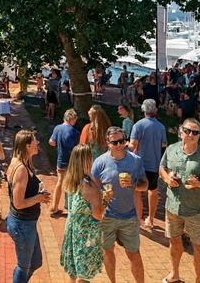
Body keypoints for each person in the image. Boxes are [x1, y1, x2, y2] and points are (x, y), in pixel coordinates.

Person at [158, 117, 200, 283]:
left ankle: (197, 280)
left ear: (199, 135)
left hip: (196, 211)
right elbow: (161, 168)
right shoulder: (172, 149)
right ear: (181, 132)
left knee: (199, 249)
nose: (191, 135)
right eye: (188, 131)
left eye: (195, 132)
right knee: (174, 242)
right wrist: (167, 179)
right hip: (173, 207)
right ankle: (174, 274)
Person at [92, 126, 148, 283]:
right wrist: (102, 198)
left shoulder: (135, 161)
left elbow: (145, 184)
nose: (119, 145)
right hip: (106, 217)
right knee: (108, 251)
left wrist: (134, 185)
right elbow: (92, 188)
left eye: (122, 141)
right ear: (107, 143)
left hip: (129, 216)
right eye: (114, 142)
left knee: (134, 253)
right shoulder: (100, 162)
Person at [60, 144, 112, 283]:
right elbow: (98, 215)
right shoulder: (89, 187)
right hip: (87, 237)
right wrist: (106, 200)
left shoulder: (71, 181)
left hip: (72, 231)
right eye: (91, 157)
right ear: (87, 160)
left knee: (73, 271)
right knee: (83, 277)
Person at [7, 129, 51, 282]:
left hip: (27, 224)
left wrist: (38, 190)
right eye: (34, 141)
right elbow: (19, 203)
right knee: (24, 266)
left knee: (35, 262)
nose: (37, 143)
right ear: (27, 145)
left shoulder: (24, 162)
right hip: (22, 225)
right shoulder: (21, 170)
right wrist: (39, 198)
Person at [128, 99, 167, 230]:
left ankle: (138, 219)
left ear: (143, 110)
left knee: (137, 191)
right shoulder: (161, 127)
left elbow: (132, 145)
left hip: (139, 164)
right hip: (154, 164)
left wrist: (125, 146)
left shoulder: (137, 125)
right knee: (153, 191)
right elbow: (163, 145)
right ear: (155, 110)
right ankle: (150, 219)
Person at [49, 108, 80, 216]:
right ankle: (71, 207)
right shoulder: (74, 132)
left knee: (60, 183)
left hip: (61, 160)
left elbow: (51, 142)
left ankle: (54, 207)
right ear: (72, 119)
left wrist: (59, 143)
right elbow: (76, 148)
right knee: (72, 184)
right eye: (75, 119)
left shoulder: (57, 128)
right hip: (72, 162)